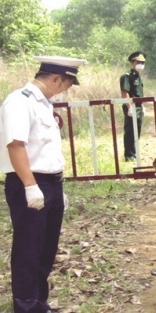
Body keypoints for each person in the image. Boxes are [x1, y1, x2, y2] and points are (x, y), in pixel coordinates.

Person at [0, 56, 86, 313]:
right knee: (29, 247)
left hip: (50, 184)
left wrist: (57, 187)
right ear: (55, 78)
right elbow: (15, 145)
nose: (65, 91)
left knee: (46, 247)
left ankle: (39, 302)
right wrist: (30, 186)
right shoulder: (20, 101)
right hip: (29, 182)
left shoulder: (44, 103)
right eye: (67, 85)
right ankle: (25, 305)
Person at [120, 51, 146, 162]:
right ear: (132, 63)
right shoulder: (126, 76)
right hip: (131, 107)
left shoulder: (138, 77)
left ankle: (134, 153)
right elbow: (125, 93)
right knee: (130, 131)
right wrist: (129, 107)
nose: (141, 64)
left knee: (137, 131)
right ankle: (129, 155)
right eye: (138, 62)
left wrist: (143, 106)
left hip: (139, 107)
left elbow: (140, 93)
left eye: (143, 62)